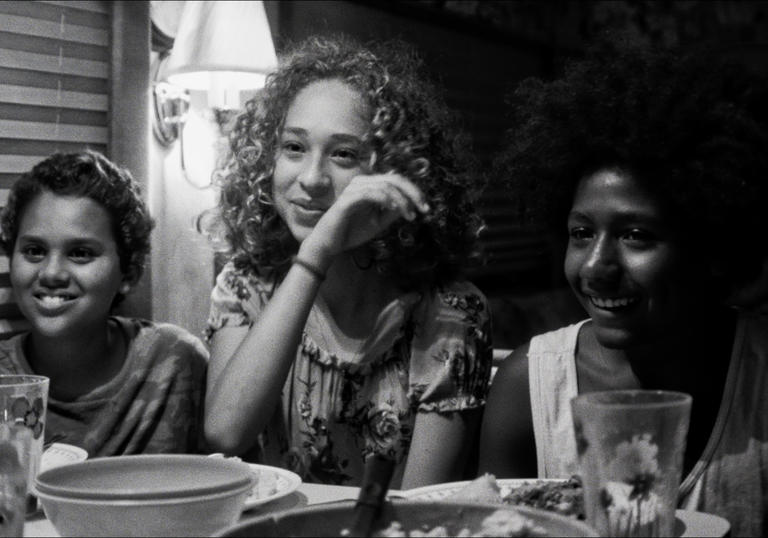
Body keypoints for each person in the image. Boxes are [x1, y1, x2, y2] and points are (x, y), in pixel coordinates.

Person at [478, 45, 768, 537]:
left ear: (713, 245)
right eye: (581, 233)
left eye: (636, 235)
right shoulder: (528, 386)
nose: (596, 267)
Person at [204, 35, 492, 489]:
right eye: (294, 147)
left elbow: (425, 507)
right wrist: (314, 255)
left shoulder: (449, 312)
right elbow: (227, 432)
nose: (313, 179)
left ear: (393, 171)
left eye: (344, 154)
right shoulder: (247, 284)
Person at [0, 151, 208, 456]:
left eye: (81, 253)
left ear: (129, 271)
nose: (52, 273)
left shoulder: (174, 363)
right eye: (34, 250)